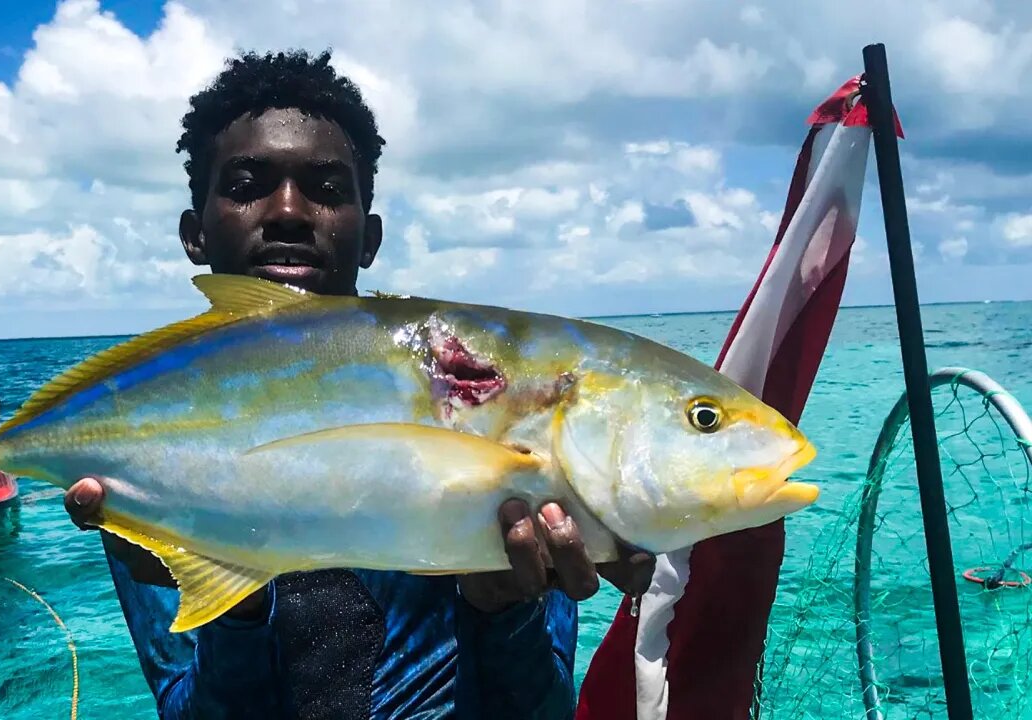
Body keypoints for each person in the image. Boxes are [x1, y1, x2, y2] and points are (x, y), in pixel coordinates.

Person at [61, 49, 656, 719]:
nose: (288, 210)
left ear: (367, 238)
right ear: (195, 235)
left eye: (327, 188)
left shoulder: (479, 404)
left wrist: (501, 611)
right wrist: (236, 599)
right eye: (248, 182)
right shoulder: (144, 443)